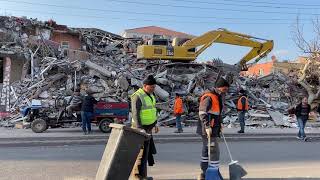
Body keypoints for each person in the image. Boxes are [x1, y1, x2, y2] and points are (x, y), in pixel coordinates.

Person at [197, 77, 230, 180]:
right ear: (219, 88)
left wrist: (220, 124)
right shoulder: (209, 97)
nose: (226, 91)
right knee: (214, 151)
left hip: (213, 128)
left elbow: (216, 113)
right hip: (207, 129)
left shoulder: (218, 96)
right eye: (224, 89)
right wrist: (207, 126)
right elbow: (202, 112)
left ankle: (204, 173)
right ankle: (214, 173)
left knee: (207, 150)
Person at [131, 75, 159, 180]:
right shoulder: (137, 96)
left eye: (154, 87)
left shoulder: (151, 95)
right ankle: (137, 176)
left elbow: (153, 110)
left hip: (149, 128)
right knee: (141, 153)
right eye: (151, 87)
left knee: (146, 153)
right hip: (140, 129)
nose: (153, 88)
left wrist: (155, 123)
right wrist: (139, 128)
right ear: (145, 85)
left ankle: (143, 175)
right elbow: (135, 113)